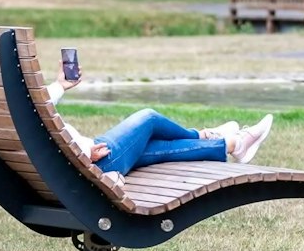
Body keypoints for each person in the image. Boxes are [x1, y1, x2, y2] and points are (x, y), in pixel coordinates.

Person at [44, 71, 274, 189]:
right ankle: (204, 135)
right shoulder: (20, 109)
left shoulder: (14, 108)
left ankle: (233, 144)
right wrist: (84, 154)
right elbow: (49, 142)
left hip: (86, 159)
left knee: (160, 148)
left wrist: (60, 86)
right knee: (149, 119)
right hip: (95, 162)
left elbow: (41, 118)